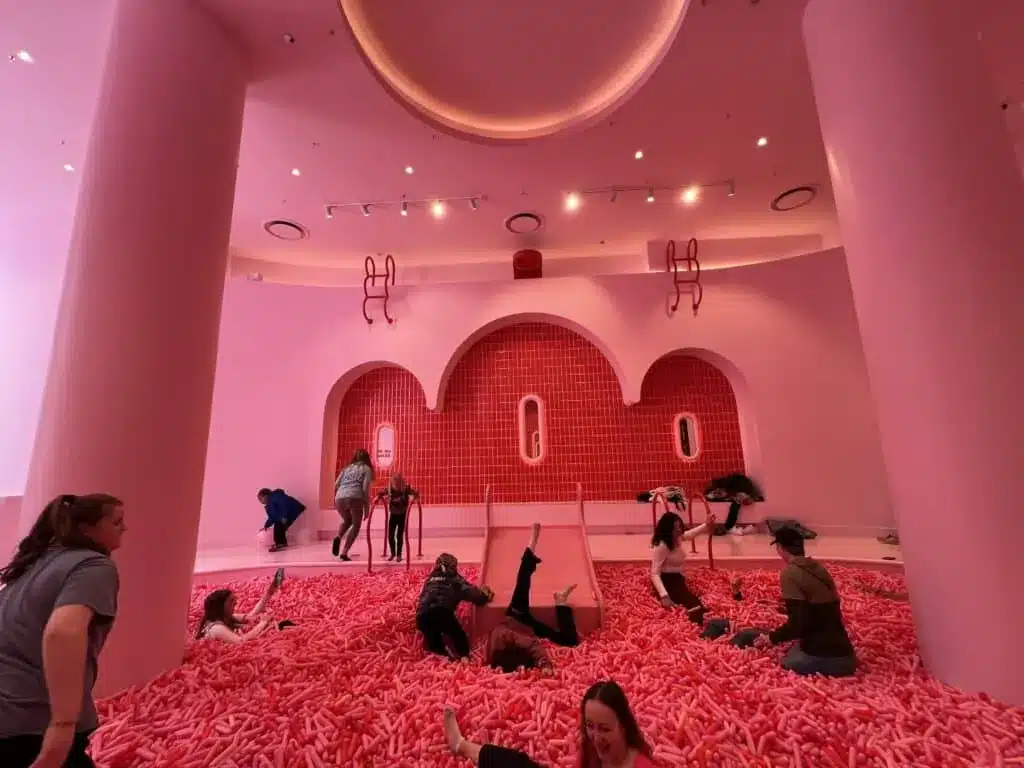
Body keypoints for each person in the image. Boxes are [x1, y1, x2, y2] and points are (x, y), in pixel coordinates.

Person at [0, 493, 126, 768]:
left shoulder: (30, 566)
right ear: (87, 528)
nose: (124, 529)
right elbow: (63, 632)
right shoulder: (92, 566)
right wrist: (63, 724)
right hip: (32, 723)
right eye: (116, 522)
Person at [442, 679, 655, 768]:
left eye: (605, 729)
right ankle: (461, 745)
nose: (596, 737)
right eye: (590, 725)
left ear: (623, 726)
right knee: (519, 763)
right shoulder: (592, 748)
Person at [743, 526, 857, 677]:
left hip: (825, 655)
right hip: (845, 652)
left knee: (782, 666)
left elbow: (797, 624)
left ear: (780, 548)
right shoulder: (817, 567)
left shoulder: (790, 573)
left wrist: (771, 638)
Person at [488, 523, 579, 673]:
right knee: (569, 641)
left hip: (516, 617)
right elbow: (532, 645)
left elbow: (531, 644)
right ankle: (560, 601)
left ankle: (532, 544)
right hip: (529, 628)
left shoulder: (500, 644)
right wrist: (541, 665)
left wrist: (545, 664)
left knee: (522, 583)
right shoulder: (514, 659)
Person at [416, 553, 493, 661]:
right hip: (441, 613)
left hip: (422, 616)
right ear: (453, 567)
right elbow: (472, 594)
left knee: (434, 640)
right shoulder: (455, 580)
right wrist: (484, 595)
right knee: (458, 635)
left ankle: (441, 653)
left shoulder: (429, 579)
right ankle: (464, 657)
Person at [650, 510, 715, 624]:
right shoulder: (662, 546)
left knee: (692, 599)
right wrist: (664, 595)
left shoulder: (676, 537)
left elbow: (689, 535)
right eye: (675, 529)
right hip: (667, 580)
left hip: (677, 577)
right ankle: (697, 624)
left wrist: (706, 524)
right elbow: (655, 573)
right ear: (668, 531)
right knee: (689, 601)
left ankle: (703, 617)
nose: (679, 531)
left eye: (680, 527)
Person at [195, 574, 288, 643]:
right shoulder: (216, 628)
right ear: (221, 606)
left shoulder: (225, 617)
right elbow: (241, 641)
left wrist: (268, 593)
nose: (236, 602)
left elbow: (251, 615)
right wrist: (262, 623)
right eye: (231, 601)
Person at [333, 449, 374, 561]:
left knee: (348, 520)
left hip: (339, 497)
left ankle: (338, 536)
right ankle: (344, 553)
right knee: (356, 525)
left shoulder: (347, 468)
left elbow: (336, 484)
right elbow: (365, 489)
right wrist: (366, 507)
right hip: (355, 497)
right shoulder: (366, 469)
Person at [376, 473, 418, 561]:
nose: (396, 484)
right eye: (394, 481)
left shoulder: (406, 488)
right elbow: (381, 493)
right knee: (390, 536)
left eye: (398, 481)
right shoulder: (389, 489)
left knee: (399, 535)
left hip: (402, 514)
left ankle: (399, 554)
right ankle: (393, 553)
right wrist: (377, 498)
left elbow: (416, 492)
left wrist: (414, 498)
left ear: (401, 481)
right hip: (393, 515)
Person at [257, 488, 306, 552]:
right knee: (279, 525)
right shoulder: (270, 505)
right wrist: (266, 525)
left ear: (266, 496)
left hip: (293, 510)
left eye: (260, 498)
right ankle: (282, 543)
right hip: (288, 513)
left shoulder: (276, 496)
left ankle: (280, 543)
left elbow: (285, 504)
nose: (260, 501)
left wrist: (284, 516)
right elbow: (272, 517)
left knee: (279, 526)